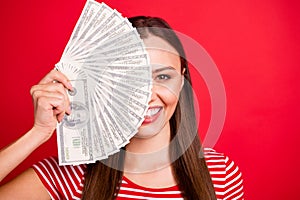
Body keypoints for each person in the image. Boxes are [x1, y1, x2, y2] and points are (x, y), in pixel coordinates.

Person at [0, 16, 244, 199]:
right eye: (131, 80)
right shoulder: (69, 177)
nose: (146, 96)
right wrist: (38, 133)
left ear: (181, 81)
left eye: (163, 77)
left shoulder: (221, 175)